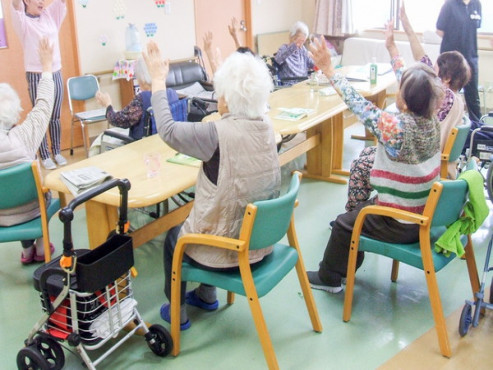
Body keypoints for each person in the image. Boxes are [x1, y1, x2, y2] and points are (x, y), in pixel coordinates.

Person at [143, 41, 281, 329]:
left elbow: (167, 130)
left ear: (227, 99)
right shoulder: (268, 126)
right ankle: (206, 295)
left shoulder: (216, 134)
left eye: (221, 93)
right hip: (259, 244)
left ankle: (178, 314)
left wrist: (157, 80)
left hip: (229, 251)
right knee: (217, 217)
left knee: (174, 238)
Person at [306, 35, 444, 293]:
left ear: (405, 99)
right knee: (357, 211)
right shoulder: (432, 121)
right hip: (424, 215)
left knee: (344, 224)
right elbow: (412, 81)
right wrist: (393, 50)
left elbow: (357, 105)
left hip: (399, 222)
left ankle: (330, 278)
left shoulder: (396, 128)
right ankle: (346, 267)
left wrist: (329, 71)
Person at [345, 4, 471, 212]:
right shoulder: (454, 98)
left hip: (420, 161)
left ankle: (355, 217)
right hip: (426, 157)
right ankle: (362, 210)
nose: (431, 70)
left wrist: (396, 42)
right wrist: (393, 46)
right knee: (367, 154)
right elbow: (411, 76)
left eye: (436, 69)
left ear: (446, 78)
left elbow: (413, 76)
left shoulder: (440, 97)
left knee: (362, 162)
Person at [0, 38, 55, 264]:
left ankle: (27, 251)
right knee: (39, 189)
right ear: (15, 112)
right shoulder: (24, 136)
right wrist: (47, 67)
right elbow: (44, 105)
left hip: (2, 215)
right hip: (33, 208)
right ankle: (41, 247)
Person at [10, 0, 68, 170]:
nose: (42, 2)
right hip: (36, 73)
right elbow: (15, 4)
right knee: (41, 116)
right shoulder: (23, 21)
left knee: (55, 116)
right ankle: (44, 155)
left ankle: (56, 151)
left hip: (56, 70)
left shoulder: (50, 15)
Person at [437, 0, 482, 122]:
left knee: (473, 96)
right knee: (448, 95)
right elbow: (439, 30)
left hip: (471, 57)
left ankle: (476, 131)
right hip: (451, 61)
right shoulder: (449, 5)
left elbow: (474, 28)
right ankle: (447, 124)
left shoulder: (476, 4)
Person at [274, 21, 315, 86]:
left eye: (302, 41)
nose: (300, 44)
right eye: (298, 40)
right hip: (290, 85)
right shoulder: (284, 48)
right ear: (291, 37)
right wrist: (293, 46)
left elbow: (312, 64)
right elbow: (278, 59)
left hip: (304, 83)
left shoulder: (302, 49)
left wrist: (317, 59)